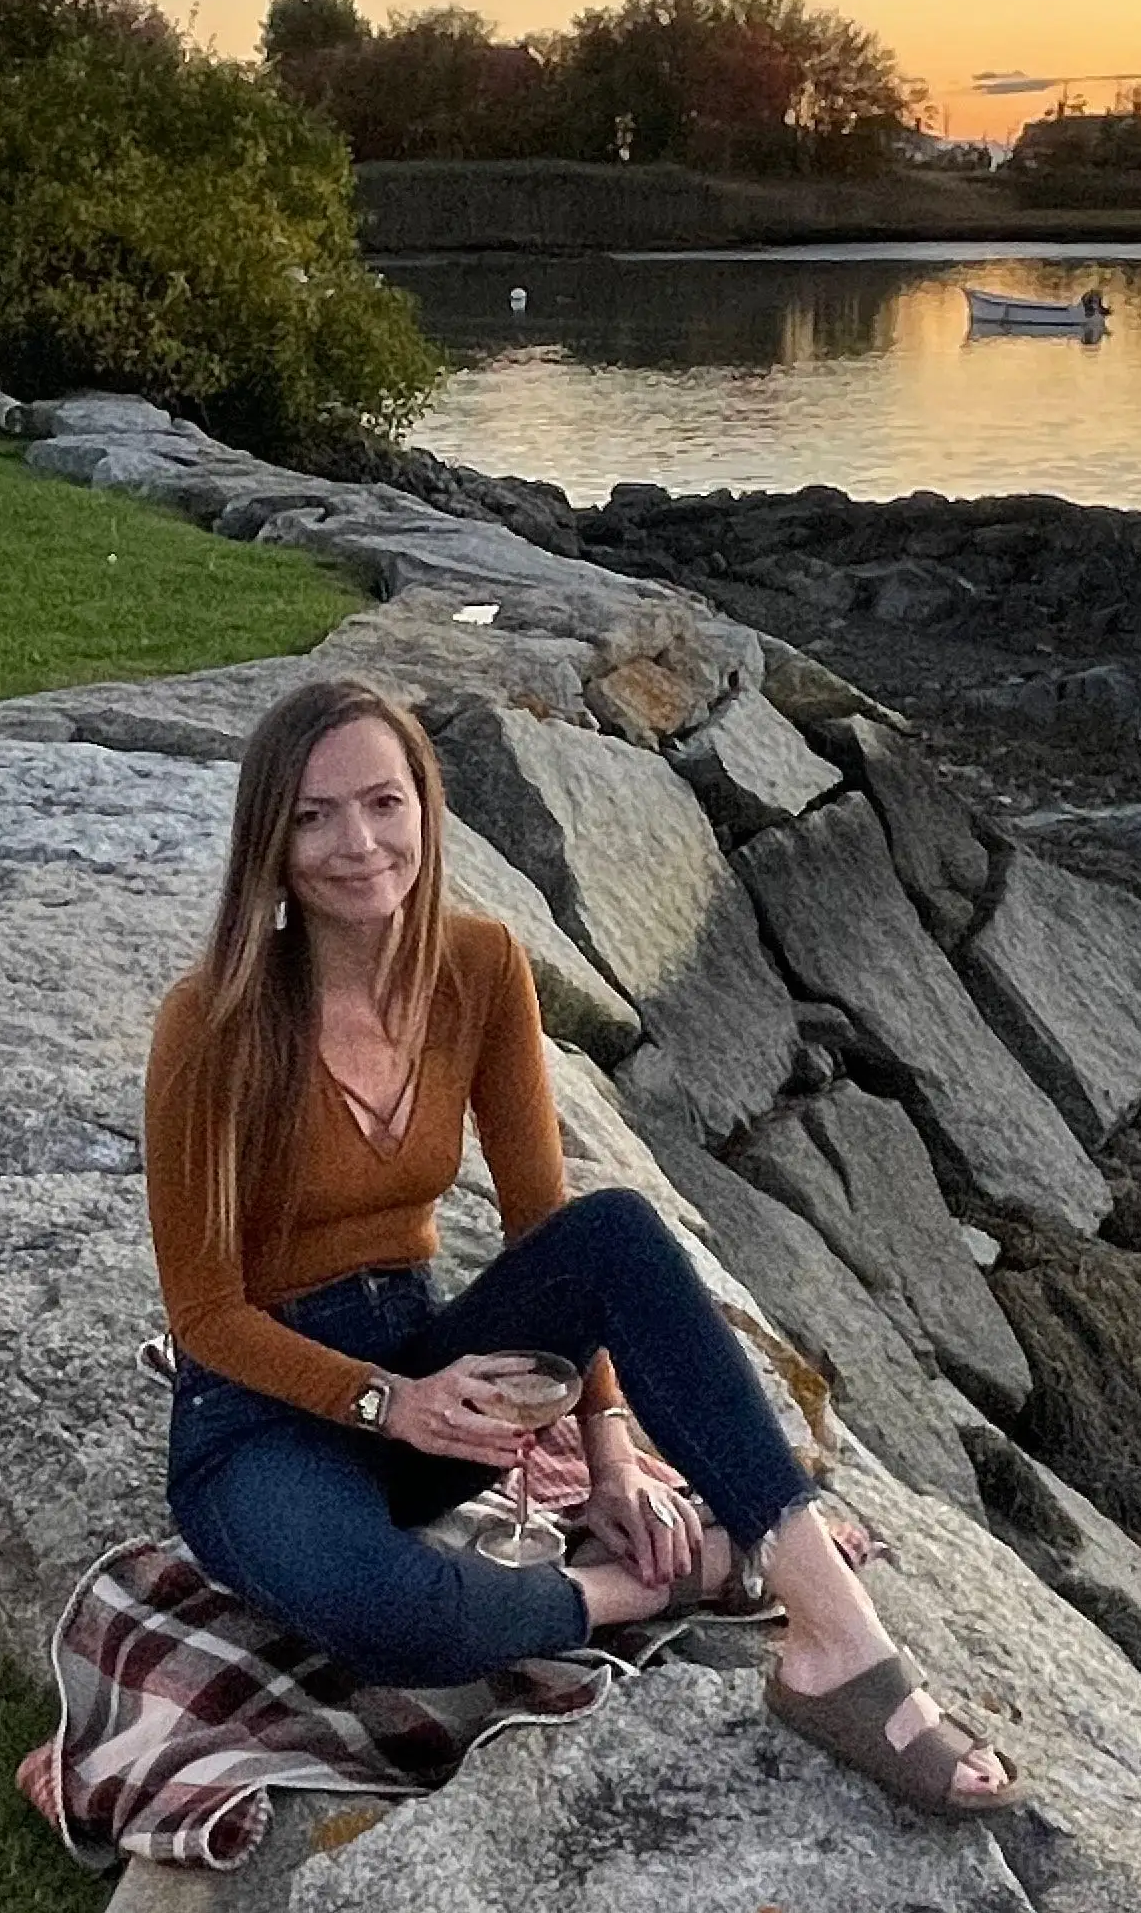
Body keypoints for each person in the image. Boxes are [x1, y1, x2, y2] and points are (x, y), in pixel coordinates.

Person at [142, 677, 1023, 1815]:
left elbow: (551, 1238)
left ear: (426, 806)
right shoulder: (212, 1020)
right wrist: (382, 1405)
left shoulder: (481, 966)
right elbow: (204, 1316)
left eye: (383, 802)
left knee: (616, 1230)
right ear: (268, 835)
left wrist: (607, 1451)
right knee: (406, 1619)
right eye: (313, 816)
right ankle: (662, 1583)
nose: (357, 845)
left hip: (429, 1374)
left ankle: (837, 1647)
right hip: (262, 1425)